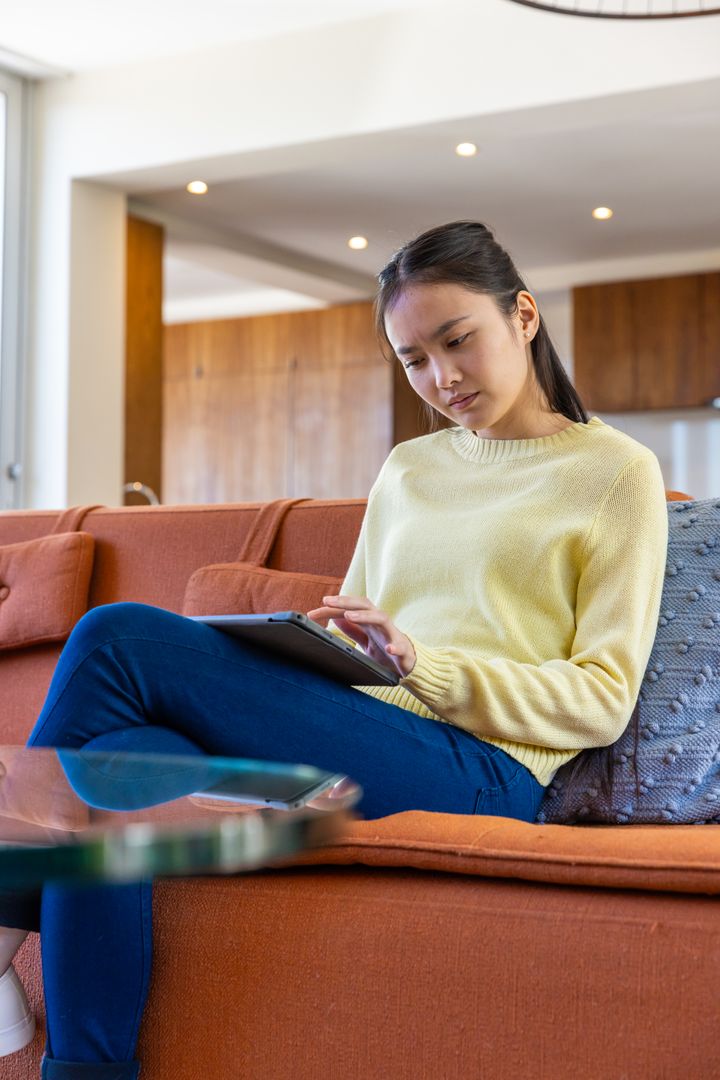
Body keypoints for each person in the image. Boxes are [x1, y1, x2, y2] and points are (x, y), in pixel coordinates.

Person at [0, 220, 669, 1077]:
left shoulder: (616, 473)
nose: (442, 377)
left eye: (457, 341)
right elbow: (363, 624)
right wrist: (329, 645)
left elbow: (602, 697)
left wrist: (424, 665)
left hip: (488, 773)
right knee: (126, 762)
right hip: (369, 731)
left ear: (525, 316)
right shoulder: (409, 468)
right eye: (414, 359)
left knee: (115, 636)